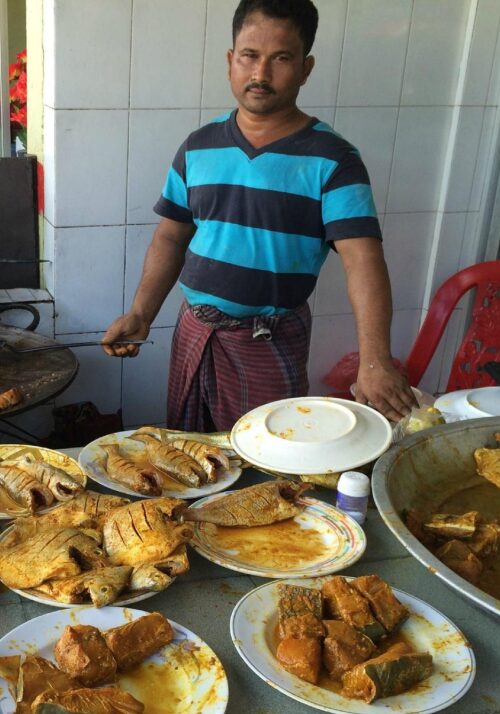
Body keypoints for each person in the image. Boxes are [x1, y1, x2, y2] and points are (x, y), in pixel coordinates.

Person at [103, 0, 416, 426]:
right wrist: (141, 313)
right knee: (190, 458)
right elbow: (170, 238)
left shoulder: (333, 159)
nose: (260, 74)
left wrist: (375, 360)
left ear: (306, 69)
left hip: (269, 340)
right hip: (194, 330)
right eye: (249, 56)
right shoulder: (199, 147)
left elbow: (363, 260)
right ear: (231, 61)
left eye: (281, 58)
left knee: (268, 467)